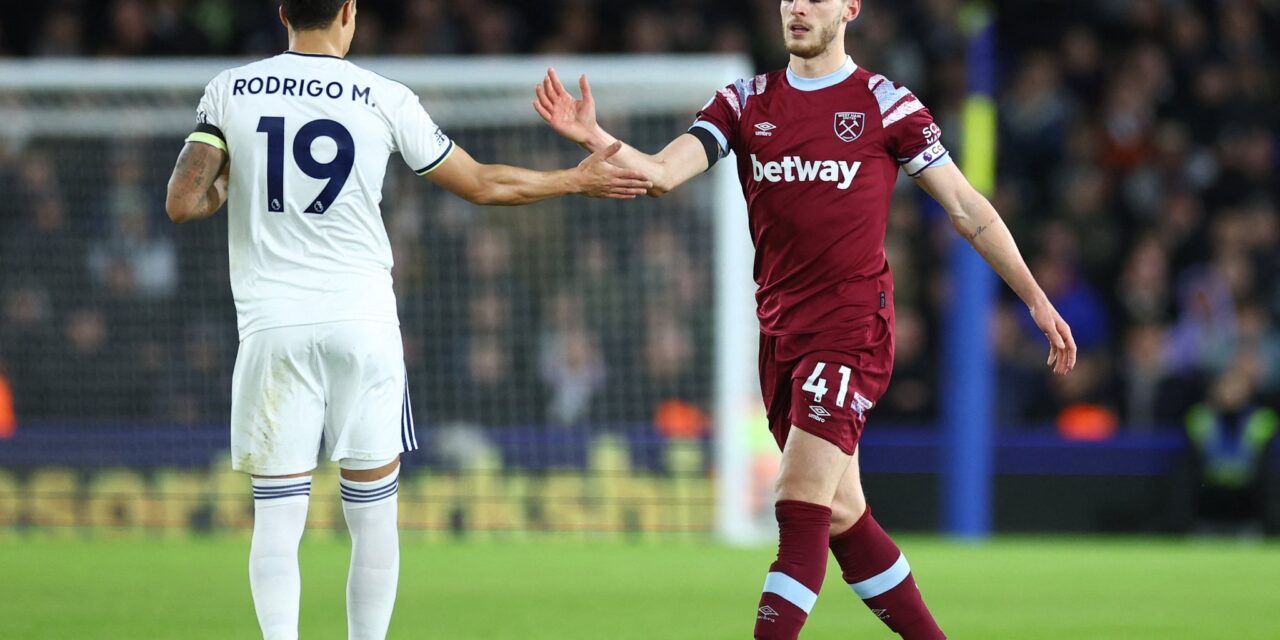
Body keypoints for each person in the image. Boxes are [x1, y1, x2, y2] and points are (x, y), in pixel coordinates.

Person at [533, 1, 1077, 638]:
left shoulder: (884, 103)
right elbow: (659, 174)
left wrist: (1035, 299)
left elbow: (966, 207)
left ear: (849, 7)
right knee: (843, 513)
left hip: (851, 332)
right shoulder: (744, 102)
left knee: (797, 502)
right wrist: (599, 140)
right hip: (781, 338)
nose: (797, 6)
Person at [163, 1, 650, 638]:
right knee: (372, 519)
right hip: (362, 325)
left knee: (278, 523)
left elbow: (182, 201)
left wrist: (231, 188)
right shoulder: (384, 97)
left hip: (272, 327)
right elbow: (480, 183)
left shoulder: (229, 91)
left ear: (283, 12)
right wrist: (573, 180)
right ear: (348, 13)